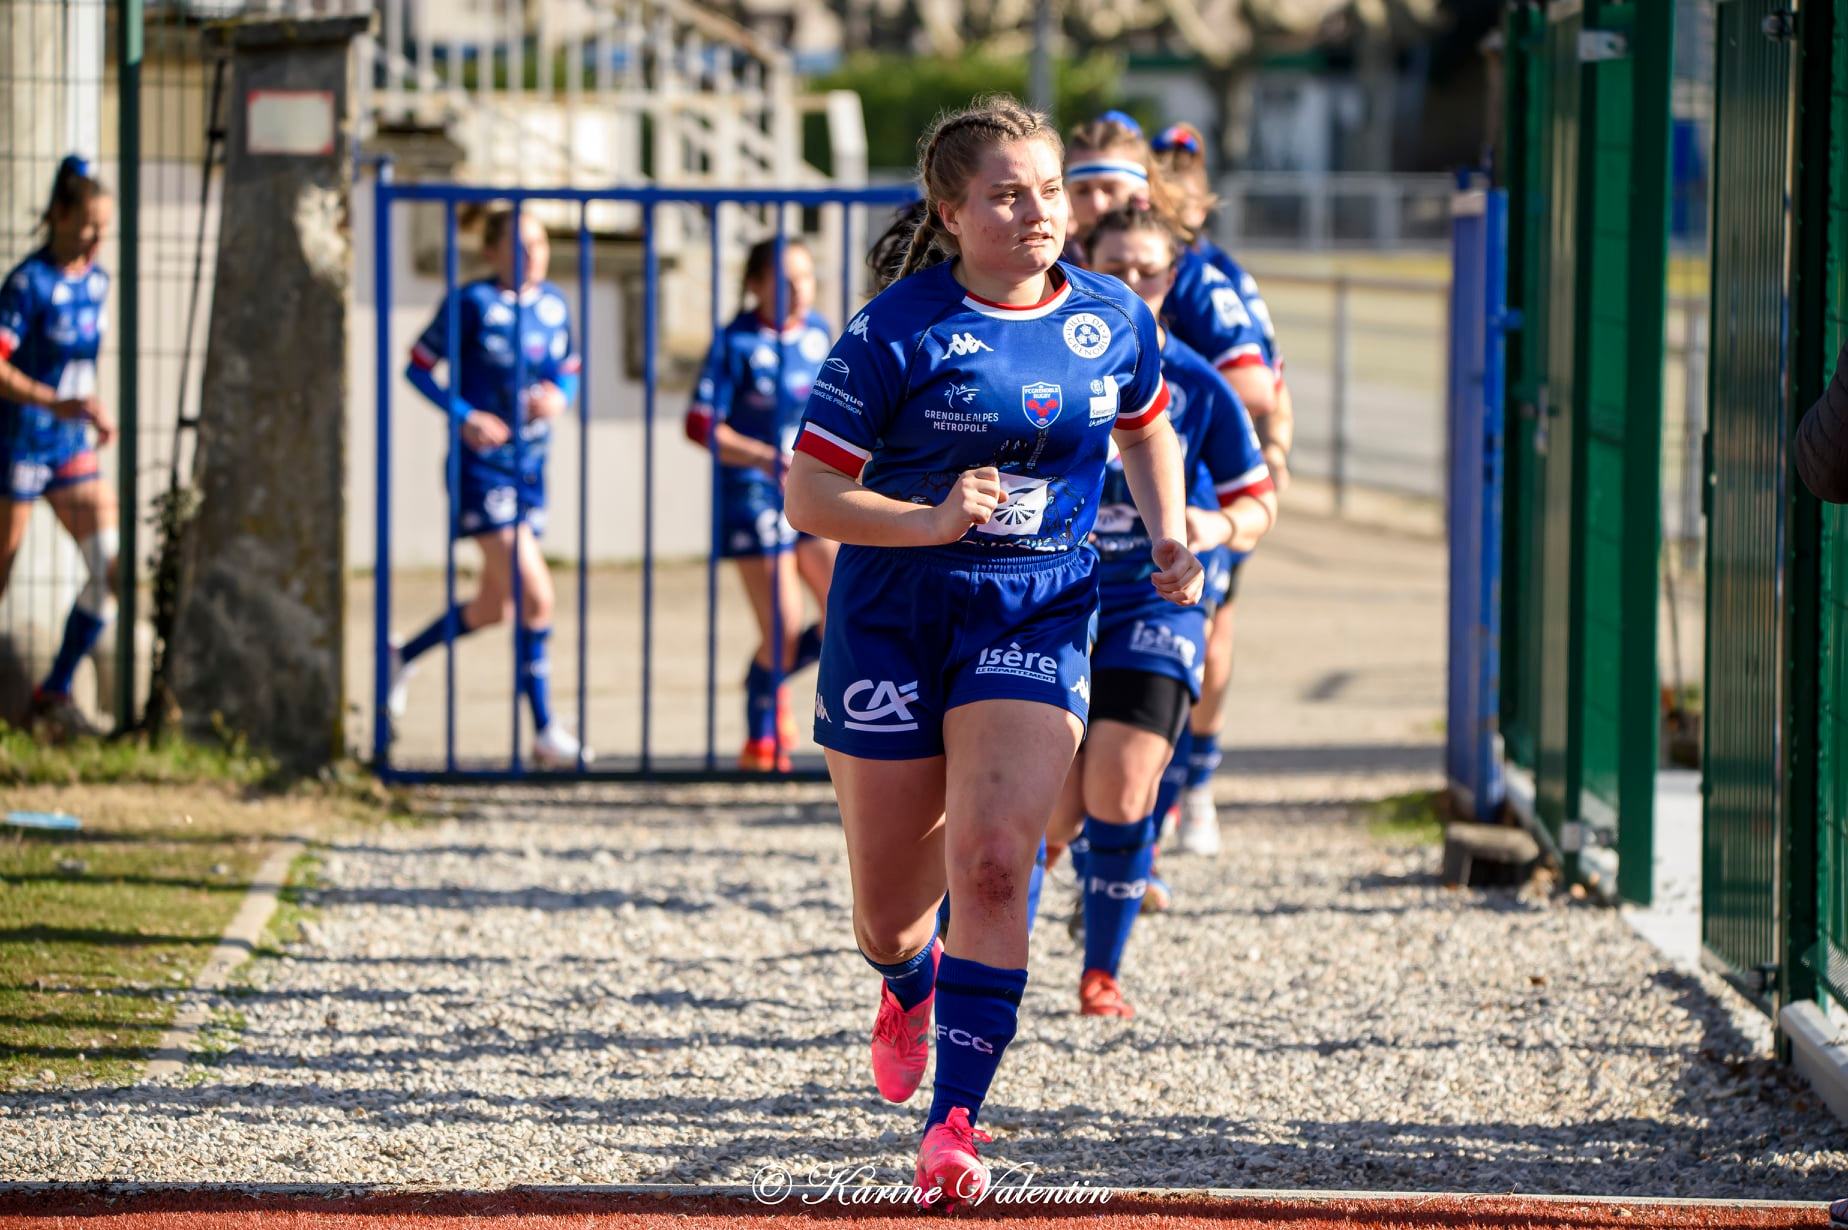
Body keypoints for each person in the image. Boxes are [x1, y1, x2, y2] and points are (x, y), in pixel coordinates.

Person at [783, 96, 1200, 1209]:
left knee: (994, 865)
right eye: (1009, 194)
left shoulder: (1110, 316)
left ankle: (954, 1125)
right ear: (953, 211)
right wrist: (924, 519)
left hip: (1036, 611)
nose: (1038, 213)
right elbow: (808, 489)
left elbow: (1147, 422)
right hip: (895, 614)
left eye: (1050, 190)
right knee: (892, 908)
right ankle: (904, 983)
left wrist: (1167, 528)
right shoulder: (894, 329)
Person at [1046, 203, 1277, 1017]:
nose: (1134, 282)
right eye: (1118, 267)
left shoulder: (1198, 384)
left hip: (1157, 605)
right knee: (1047, 809)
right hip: (1050, 601)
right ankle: (971, 961)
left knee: (1120, 781)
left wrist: (1211, 527)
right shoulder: (1042, 363)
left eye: (1150, 270)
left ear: (1172, 279)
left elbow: (1258, 501)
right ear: (1086, 262)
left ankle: (1100, 973)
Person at [387, 206, 589, 767]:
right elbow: (417, 367)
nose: (533, 255)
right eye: (520, 245)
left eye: (541, 244)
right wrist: (464, 414)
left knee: (495, 606)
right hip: (482, 470)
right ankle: (546, 730)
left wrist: (560, 399)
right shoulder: (470, 304)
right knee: (537, 596)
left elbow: (569, 370)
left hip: (532, 470)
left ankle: (401, 654)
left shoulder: (554, 304)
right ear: (493, 251)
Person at [1151, 120, 1295, 856]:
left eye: (1188, 183)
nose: (1176, 195)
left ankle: (1194, 782)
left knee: (1209, 634)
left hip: (1207, 484)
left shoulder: (1216, 279)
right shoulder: (1101, 256)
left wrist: (1273, 452)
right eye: (1161, 179)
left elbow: (1265, 380)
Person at [684, 238, 837, 772]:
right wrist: (764, 456)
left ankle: (766, 681)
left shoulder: (818, 332)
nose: (797, 289)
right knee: (781, 623)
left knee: (845, 600)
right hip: (752, 493)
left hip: (811, 490)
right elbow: (700, 424)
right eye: (783, 278)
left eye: (805, 276)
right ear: (754, 283)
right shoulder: (735, 343)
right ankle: (760, 731)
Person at [0, 155, 121, 740]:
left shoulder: (96, 280)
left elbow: (79, 367)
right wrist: (53, 402)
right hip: (21, 440)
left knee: (112, 566)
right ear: (57, 216)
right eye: (88, 226)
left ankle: (55, 693)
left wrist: (91, 410)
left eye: (104, 228)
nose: (97, 239)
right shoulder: (27, 284)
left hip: (71, 445)